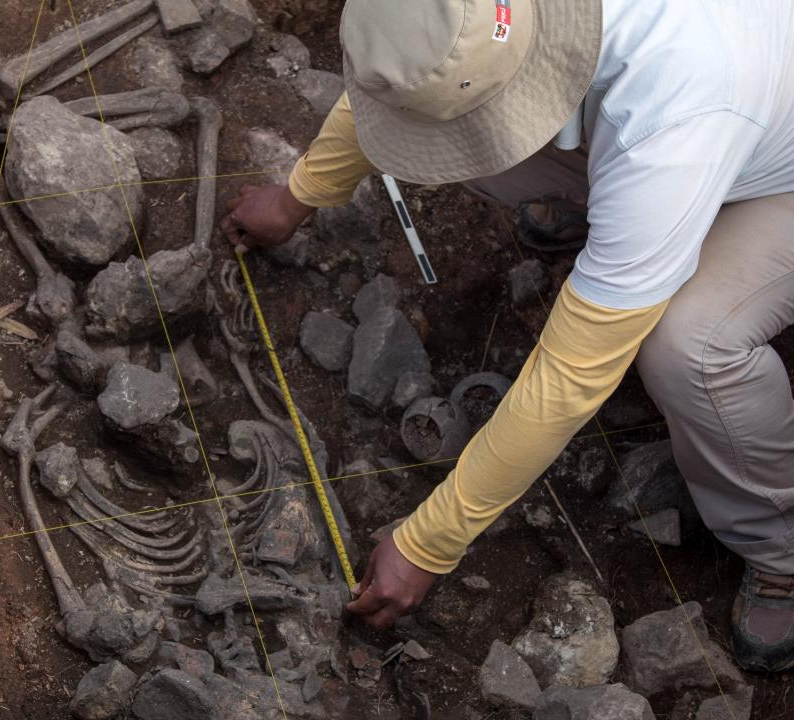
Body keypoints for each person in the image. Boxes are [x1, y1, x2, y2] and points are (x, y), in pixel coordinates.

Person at [221, 0, 794, 672]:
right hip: (693, 122)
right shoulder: (470, 21)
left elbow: (574, 373)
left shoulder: (676, 116)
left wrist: (432, 540)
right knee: (448, 141)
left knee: (685, 345)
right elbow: (403, 85)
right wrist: (297, 195)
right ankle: (627, 229)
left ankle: (778, 548)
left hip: (769, 167)